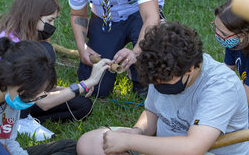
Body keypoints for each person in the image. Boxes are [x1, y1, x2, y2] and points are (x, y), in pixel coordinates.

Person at [76, 21, 249, 155]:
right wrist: (137, 132)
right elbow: (153, 112)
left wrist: (129, 142)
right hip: (161, 143)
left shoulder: (221, 86)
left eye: (163, 83)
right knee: (89, 142)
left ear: (189, 69)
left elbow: (192, 148)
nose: (158, 87)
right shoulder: (160, 66)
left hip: (204, 150)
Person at [0, 0, 93, 140]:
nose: (53, 25)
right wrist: (85, 84)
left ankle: (24, 118)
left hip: (24, 94)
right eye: (49, 20)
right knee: (46, 51)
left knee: (82, 105)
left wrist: (73, 89)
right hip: (4, 102)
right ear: (33, 17)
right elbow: (41, 99)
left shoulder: (29, 38)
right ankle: (21, 120)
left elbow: (39, 86)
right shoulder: (14, 45)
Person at [0, 37, 110, 155]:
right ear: (13, 81)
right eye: (31, 96)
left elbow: (9, 141)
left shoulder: (11, 95)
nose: (32, 101)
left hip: (3, 150)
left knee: (71, 147)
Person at [211, 0, 249, 109]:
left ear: (243, 36)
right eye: (216, 27)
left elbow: (244, 103)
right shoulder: (234, 44)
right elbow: (226, 75)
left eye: (223, 33)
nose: (217, 34)